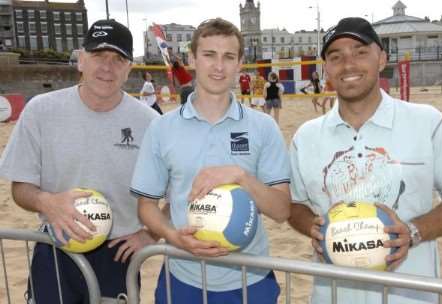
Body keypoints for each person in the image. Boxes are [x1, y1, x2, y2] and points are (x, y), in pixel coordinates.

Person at [288, 17, 442, 304]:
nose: (348, 64)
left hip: (411, 296)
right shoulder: (305, 137)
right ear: (326, 68)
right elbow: (294, 205)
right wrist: (309, 226)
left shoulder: (428, 122)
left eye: (360, 52)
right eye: (336, 57)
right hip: (333, 296)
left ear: (382, 58)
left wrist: (414, 231)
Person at [131, 18, 291, 304]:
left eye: (228, 57)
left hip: (250, 278)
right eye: (209, 55)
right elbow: (146, 206)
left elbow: (280, 211)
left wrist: (240, 176)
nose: (219, 66)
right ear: (192, 58)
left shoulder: (263, 127)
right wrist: (173, 236)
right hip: (182, 276)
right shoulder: (162, 128)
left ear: (240, 62)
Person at [0, 19, 159, 303]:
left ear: (128, 69)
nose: (107, 67)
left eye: (118, 59)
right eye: (98, 55)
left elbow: (180, 193)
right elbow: (20, 188)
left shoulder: (152, 124)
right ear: (81, 60)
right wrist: (47, 202)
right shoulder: (42, 110)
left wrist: (152, 235)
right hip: (55, 246)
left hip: (118, 251)